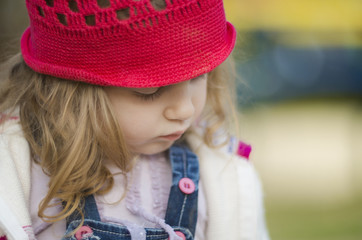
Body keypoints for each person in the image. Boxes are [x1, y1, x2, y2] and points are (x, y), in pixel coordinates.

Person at [0, 0, 269, 239]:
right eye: (149, 92)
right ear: (71, 93)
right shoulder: (18, 178)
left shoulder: (223, 177)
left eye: (198, 76)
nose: (184, 110)